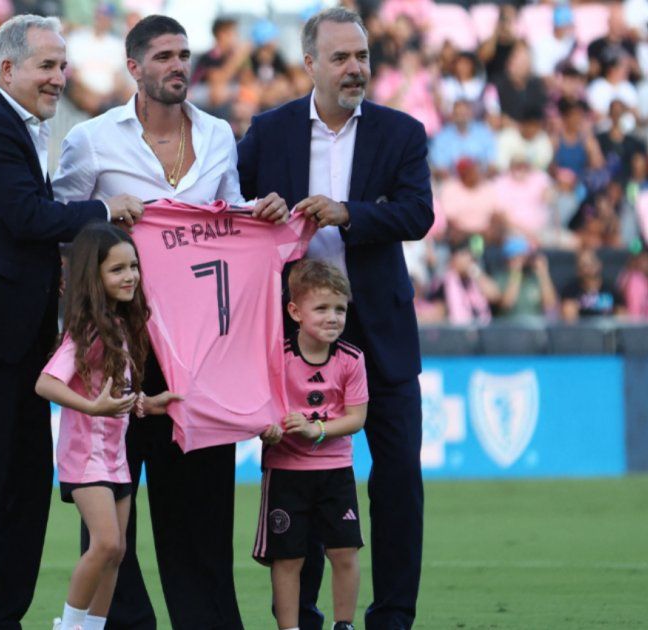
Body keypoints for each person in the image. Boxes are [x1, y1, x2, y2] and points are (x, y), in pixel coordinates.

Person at [53, 15, 286, 630]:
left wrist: (260, 213)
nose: (177, 65)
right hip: (120, 350)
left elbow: (227, 217)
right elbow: (60, 228)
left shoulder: (215, 135)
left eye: (184, 54)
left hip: (201, 352)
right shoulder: (93, 140)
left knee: (202, 516)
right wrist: (106, 223)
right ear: (134, 67)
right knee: (114, 515)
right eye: (163, 56)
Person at [0, 14, 144, 628]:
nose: (58, 77)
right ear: (6, 68)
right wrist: (103, 210)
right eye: (46, 65)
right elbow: (26, 216)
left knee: (18, 496)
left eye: (62, 65)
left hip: (12, 344)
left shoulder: (15, 128)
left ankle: (3, 618)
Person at [237, 7, 434, 628]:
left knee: (398, 476)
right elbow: (234, 208)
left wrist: (348, 213)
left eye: (363, 57)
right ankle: (307, 617)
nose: (356, 69)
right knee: (301, 473)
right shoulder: (267, 132)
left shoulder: (400, 132)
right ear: (310, 64)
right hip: (294, 331)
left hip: (380, 333)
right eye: (342, 57)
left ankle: (392, 616)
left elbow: (417, 215)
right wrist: (258, 207)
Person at [35, 223, 179, 630]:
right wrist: (91, 408)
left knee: (117, 552)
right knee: (108, 543)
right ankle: (70, 624)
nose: (130, 275)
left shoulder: (121, 327)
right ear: (93, 277)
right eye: (117, 269)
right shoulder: (89, 331)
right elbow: (45, 382)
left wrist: (148, 404)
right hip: (85, 459)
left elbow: (118, 396)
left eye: (133, 266)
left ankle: (94, 626)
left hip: (115, 460)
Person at [253, 259, 368, 630]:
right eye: (321, 308)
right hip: (286, 473)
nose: (332, 317)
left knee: (344, 552)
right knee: (288, 559)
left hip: (335, 472)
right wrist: (268, 428)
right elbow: (261, 406)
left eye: (339, 308)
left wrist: (315, 429)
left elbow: (356, 418)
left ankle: (344, 624)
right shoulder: (277, 356)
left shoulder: (352, 359)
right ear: (294, 311)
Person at [560, 249, 624, 321]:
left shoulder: (611, 289)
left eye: (591, 263)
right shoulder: (570, 290)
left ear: (599, 264)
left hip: (606, 330)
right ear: (578, 270)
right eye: (584, 265)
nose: (589, 268)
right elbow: (568, 319)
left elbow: (622, 315)